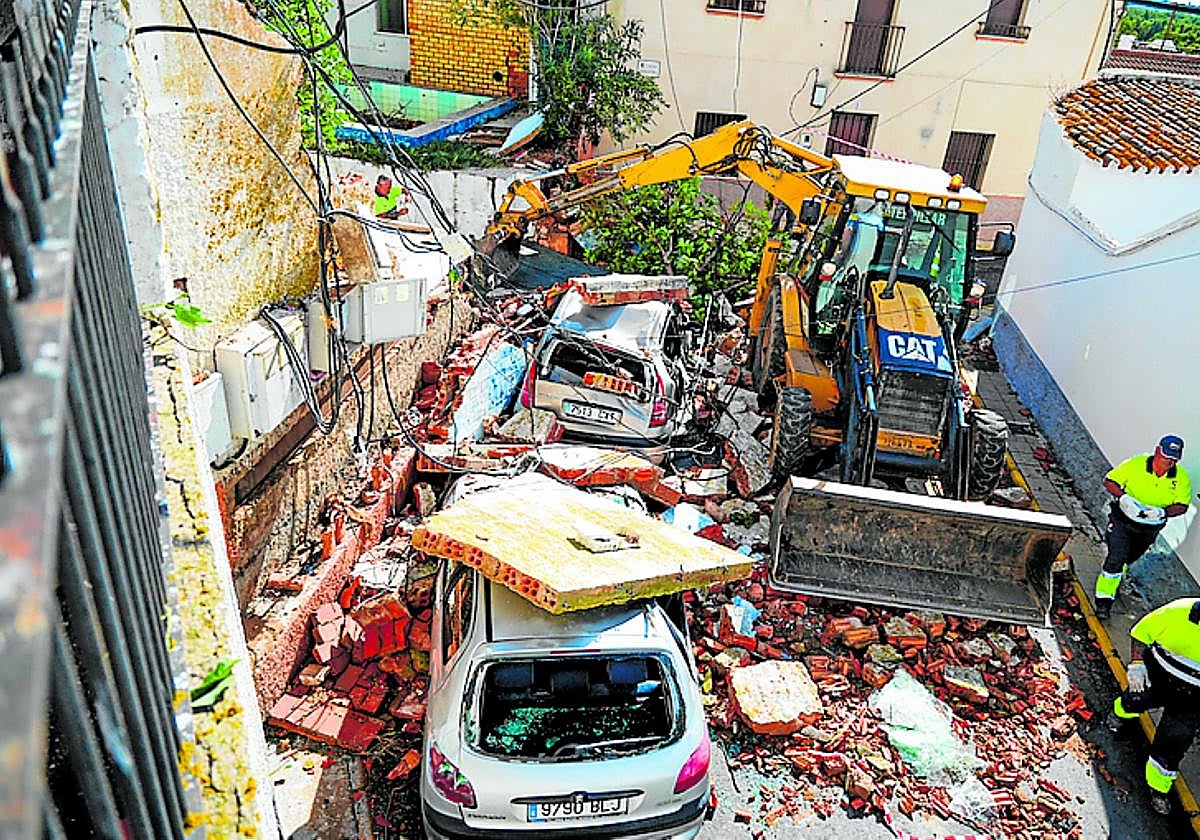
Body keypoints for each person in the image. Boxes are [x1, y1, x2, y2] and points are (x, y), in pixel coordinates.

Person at [1107, 597, 1200, 815]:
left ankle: (1158, 788)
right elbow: (1141, 633)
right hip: (1158, 678)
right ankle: (1119, 715)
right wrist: (1138, 665)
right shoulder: (1176, 611)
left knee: (1174, 741)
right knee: (1134, 700)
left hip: (1193, 699)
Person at [1094, 435, 1191, 619]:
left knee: (1126, 560)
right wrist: (1123, 497)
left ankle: (1112, 579)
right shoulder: (1137, 464)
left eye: (1173, 459)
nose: (1169, 462)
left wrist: (1163, 512)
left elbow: (1182, 505)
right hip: (1123, 520)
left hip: (1148, 529)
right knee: (1116, 557)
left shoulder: (1181, 478)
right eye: (1166, 457)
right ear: (1157, 451)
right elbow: (1110, 481)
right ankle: (1103, 602)